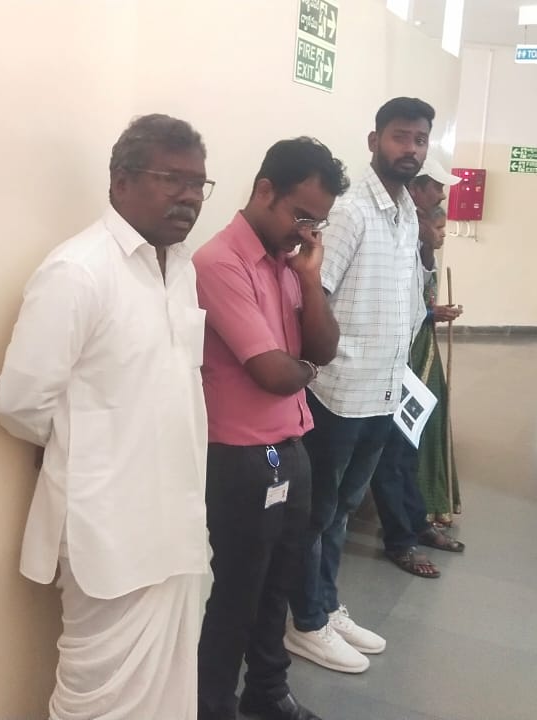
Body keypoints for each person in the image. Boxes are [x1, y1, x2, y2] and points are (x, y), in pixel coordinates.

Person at [0, 114, 213, 720]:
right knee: (96, 696)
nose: (190, 196)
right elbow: (19, 402)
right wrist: (92, 446)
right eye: (172, 179)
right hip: (108, 530)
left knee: (170, 686)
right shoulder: (77, 271)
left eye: (198, 183)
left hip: (177, 518)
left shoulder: (181, 268)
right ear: (121, 181)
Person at [193, 137, 348, 720]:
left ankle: (267, 691)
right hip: (241, 458)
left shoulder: (289, 263)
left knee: (278, 585)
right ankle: (213, 706)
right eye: (300, 215)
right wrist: (304, 369)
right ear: (264, 190)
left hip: (290, 445)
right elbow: (273, 373)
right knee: (236, 593)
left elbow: (321, 349)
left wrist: (309, 280)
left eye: (317, 223)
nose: (306, 232)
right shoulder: (219, 262)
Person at [283, 97, 434, 674]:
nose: (410, 149)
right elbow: (312, 296)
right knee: (318, 512)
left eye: (419, 139)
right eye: (400, 136)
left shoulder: (406, 211)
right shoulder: (350, 211)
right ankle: (305, 622)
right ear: (375, 141)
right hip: (338, 392)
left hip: (383, 390)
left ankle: (325, 604)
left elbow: (406, 297)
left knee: (344, 509)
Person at [370, 167, 465, 581]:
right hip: (381, 358)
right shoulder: (381, 223)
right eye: (437, 187)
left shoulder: (412, 226)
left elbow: (414, 290)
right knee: (390, 454)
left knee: (406, 448)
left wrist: (427, 247)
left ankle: (415, 523)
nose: (442, 195)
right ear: (416, 188)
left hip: (405, 353)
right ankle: (399, 540)